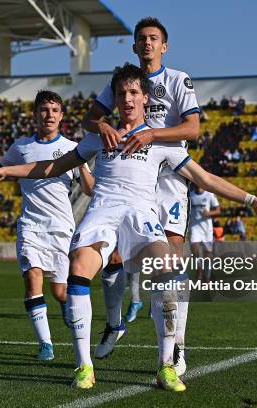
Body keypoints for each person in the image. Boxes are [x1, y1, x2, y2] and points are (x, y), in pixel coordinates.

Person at [0, 63, 257, 391]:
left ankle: (166, 366)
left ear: (145, 98)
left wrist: (253, 201)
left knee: (167, 269)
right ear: (116, 101)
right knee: (79, 269)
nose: (128, 98)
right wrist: (6, 172)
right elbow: (52, 166)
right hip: (102, 213)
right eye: (122, 93)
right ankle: (84, 366)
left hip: (140, 214)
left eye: (134, 92)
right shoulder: (98, 138)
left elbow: (205, 178)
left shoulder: (161, 142)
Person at [81, 17, 201, 372]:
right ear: (134, 47)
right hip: (129, 180)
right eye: (141, 39)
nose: (147, 43)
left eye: (153, 38)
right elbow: (89, 120)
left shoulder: (178, 80)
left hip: (169, 180)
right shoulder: (121, 84)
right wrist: (101, 124)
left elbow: (193, 129)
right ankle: (114, 324)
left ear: (164, 46)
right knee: (113, 255)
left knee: (171, 264)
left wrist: (153, 135)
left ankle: (176, 345)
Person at [0, 90, 94, 361]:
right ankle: (45, 344)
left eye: (54, 110)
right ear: (35, 114)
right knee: (33, 277)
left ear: (61, 116)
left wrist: (83, 164)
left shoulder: (71, 148)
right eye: (44, 109)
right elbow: (0, 172)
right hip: (30, 224)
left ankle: (65, 306)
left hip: (61, 226)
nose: (49, 115)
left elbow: (89, 190)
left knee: (60, 291)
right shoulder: (21, 147)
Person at [189, 185, 220, 283]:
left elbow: (218, 210)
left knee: (208, 254)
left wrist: (209, 213)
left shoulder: (209, 195)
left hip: (207, 229)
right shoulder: (190, 195)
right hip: (194, 227)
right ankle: (199, 269)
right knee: (195, 250)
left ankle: (207, 277)